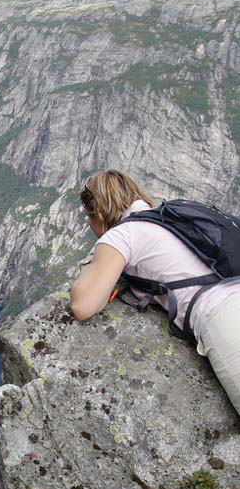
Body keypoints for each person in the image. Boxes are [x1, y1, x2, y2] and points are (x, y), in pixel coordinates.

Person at [69, 168, 240, 417]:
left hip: (223, 316)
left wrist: (90, 267)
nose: (88, 223)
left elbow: (82, 305)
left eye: (88, 216)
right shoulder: (169, 216)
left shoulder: (121, 235)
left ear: (97, 211)